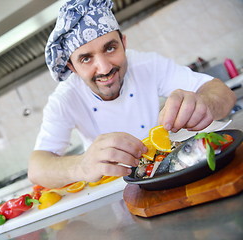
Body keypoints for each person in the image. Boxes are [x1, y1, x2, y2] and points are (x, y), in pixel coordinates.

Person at [28, 0, 236, 189]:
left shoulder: (147, 65)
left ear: (124, 43)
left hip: (164, 174)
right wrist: (81, 166)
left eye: (110, 48)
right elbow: (37, 169)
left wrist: (204, 104)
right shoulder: (64, 99)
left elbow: (222, 93)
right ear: (71, 67)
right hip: (108, 190)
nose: (104, 68)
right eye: (85, 59)